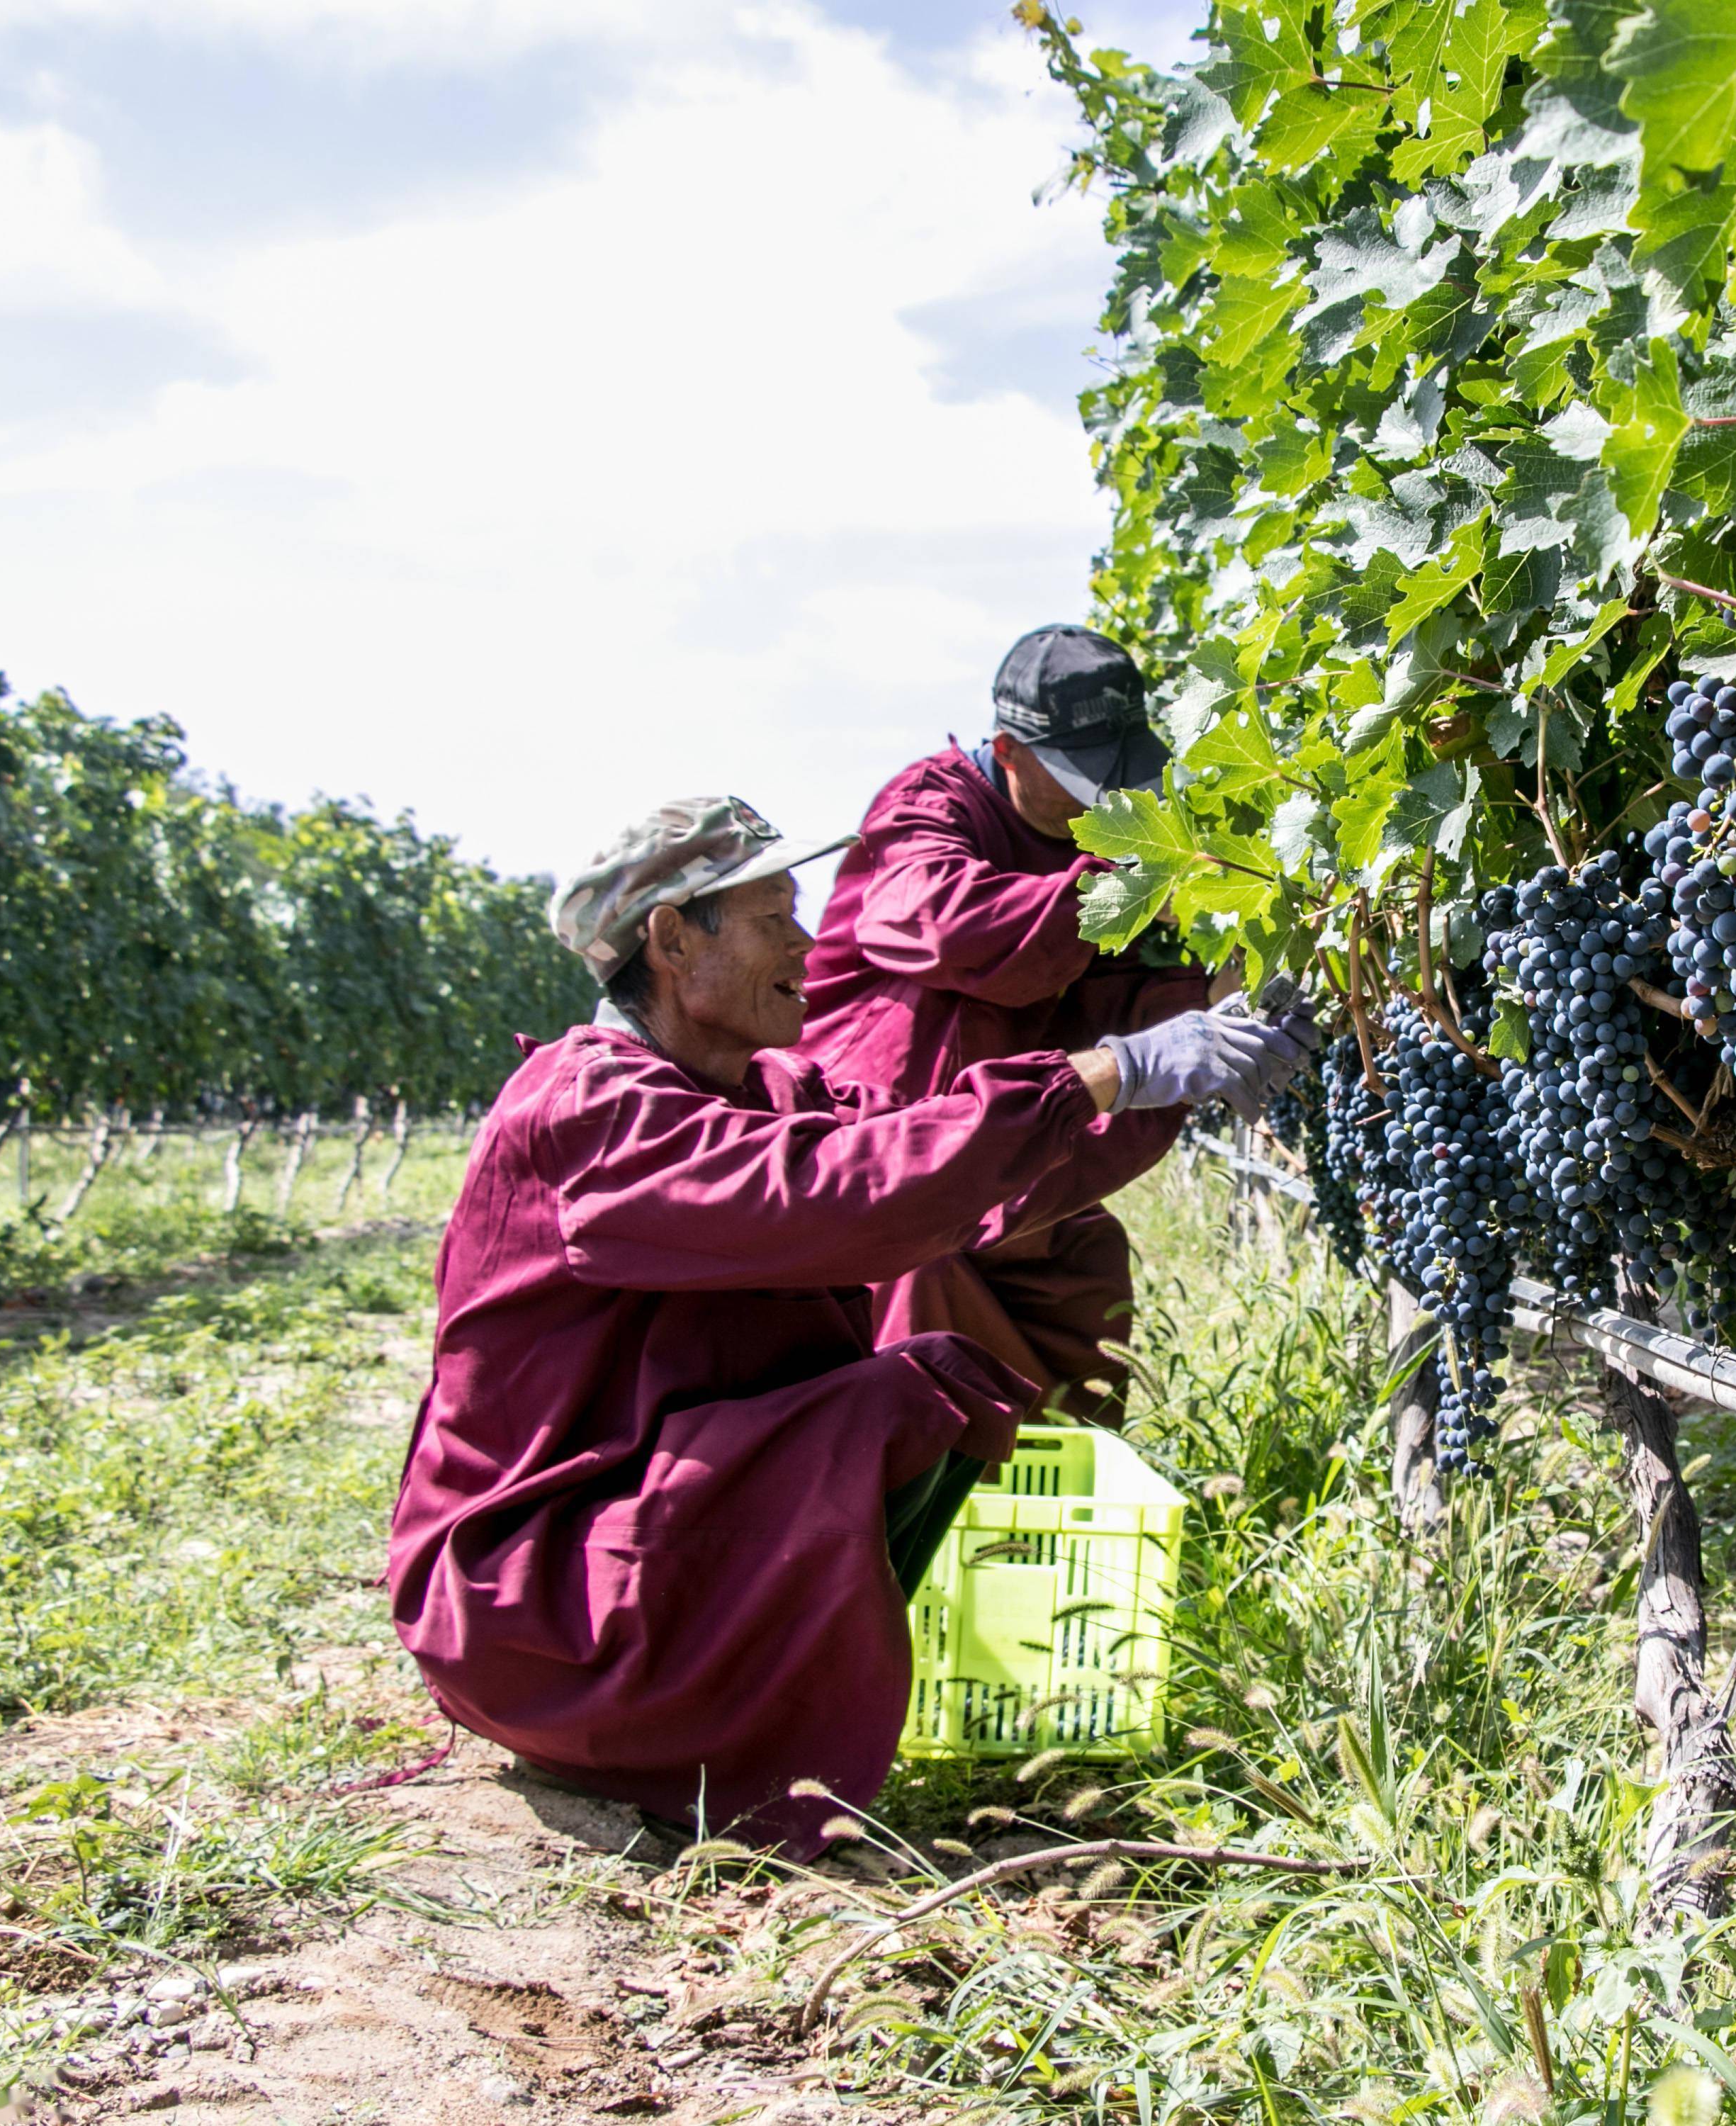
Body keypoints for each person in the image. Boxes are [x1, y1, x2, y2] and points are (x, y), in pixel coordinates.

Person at [387, 795, 1312, 1849]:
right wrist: (1109, 1069)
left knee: (932, 1383)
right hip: (529, 1602)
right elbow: (840, 1189)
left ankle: (757, 1706)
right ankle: (686, 1742)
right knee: (887, 1405)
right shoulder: (591, 1109)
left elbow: (942, 1170)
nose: (809, 940)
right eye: (773, 914)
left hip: (626, 1541)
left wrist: (1158, 1079)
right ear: (672, 938)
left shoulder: (769, 1087)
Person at [799, 624, 1222, 1427]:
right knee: (921, 1321)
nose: (1102, 801)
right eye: (1079, 779)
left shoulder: (1114, 836)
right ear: (1009, 752)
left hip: (1011, 1141)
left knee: (1086, 1276)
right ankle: (922, 1518)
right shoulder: (930, 805)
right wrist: (1121, 888)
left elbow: (1119, 995)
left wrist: (1210, 1005)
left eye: (1117, 777)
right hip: (881, 1140)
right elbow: (937, 927)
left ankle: (1056, 1513)